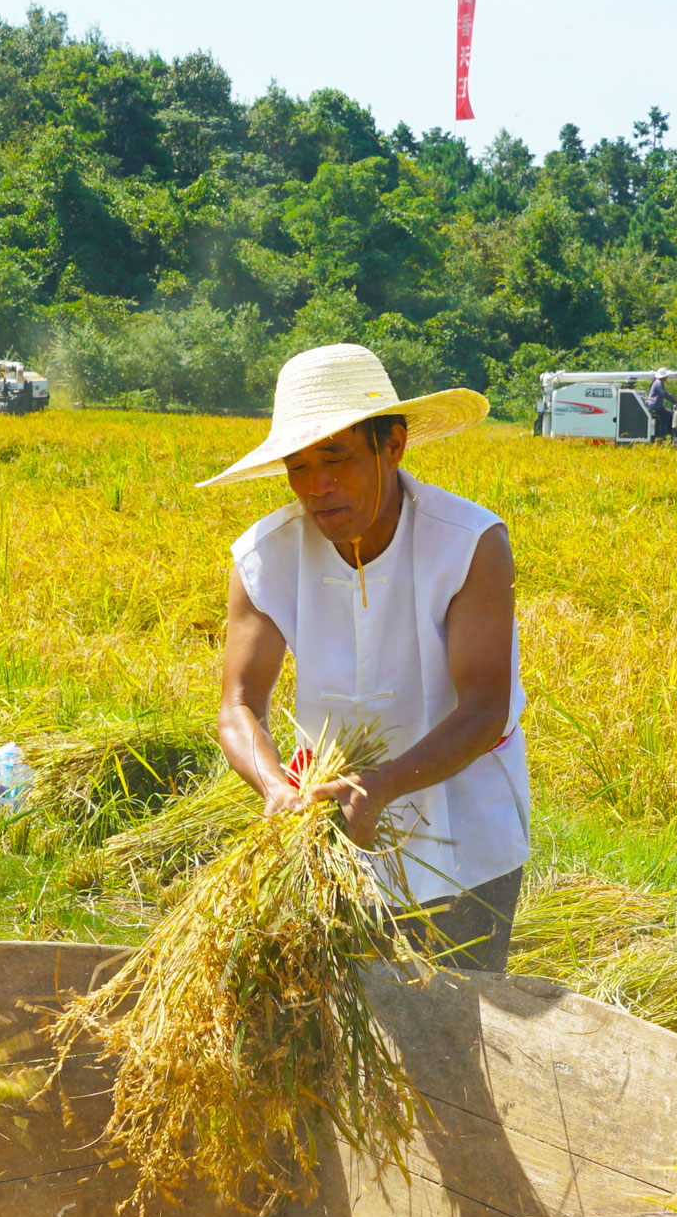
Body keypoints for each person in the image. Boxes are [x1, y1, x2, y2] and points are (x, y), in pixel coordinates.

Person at [205, 343, 529, 969]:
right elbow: (239, 705)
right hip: (329, 842)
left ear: (394, 445)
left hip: (465, 839)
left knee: (452, 1034)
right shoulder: (264, 558)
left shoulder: (468, 544)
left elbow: (485, 707)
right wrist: (275, 787)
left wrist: (376, 785)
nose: (316, 486)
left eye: (337, 458)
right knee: (333, 1031)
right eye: (297, 466)